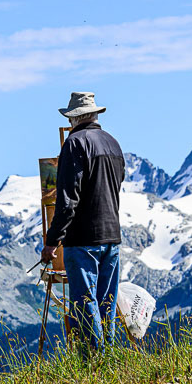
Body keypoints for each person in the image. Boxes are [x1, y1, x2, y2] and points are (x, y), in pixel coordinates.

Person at [42, 92, 125, 356]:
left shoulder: (74, 143)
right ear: (95, 114)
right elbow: (117, 184)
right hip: (111, 235)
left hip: (83, 239)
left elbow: (67, 200)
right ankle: (108, 361)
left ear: (74, 117)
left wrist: (52, 242)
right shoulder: (113, 143)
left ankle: (94, 364)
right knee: (106, 304)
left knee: (85, 304)